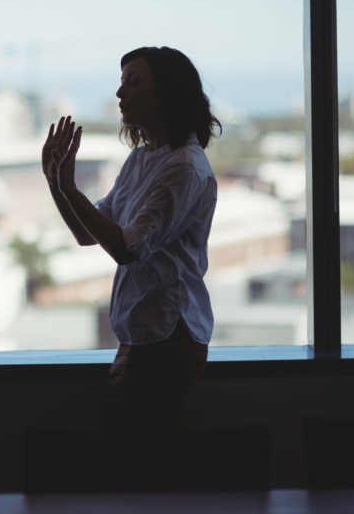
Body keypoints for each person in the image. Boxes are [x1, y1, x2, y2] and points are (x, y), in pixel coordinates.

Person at [43, 46, 221, 431]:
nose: (120, 93)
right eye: (122, 82)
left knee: (141, 457)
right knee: (137, 454)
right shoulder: (142, 159)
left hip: (169, 333)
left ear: (168, 91)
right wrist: (56, 184)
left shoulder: (185, 168)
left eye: (133, 82)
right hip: (146, 333)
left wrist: (69, 189)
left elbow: (128, 248)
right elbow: (86, 235)